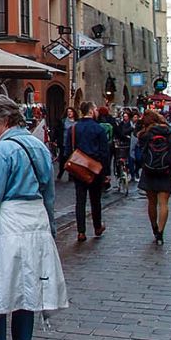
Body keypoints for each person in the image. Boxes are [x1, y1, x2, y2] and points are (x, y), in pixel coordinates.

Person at [0, 96, 68, 340]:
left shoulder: (1, 152)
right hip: (35, 220)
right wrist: (50, 228)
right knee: (27, 290)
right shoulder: (39, 146)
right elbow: (49, 193)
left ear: (1, 121)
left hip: (8, 223)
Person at [134, 109, 171, 245]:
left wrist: (144, 165)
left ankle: (154, 228)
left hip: (149, 172)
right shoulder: (169, 134)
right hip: (165, 172)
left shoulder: (145, 135)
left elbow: (139, 155)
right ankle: (160, 232)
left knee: (151, 202)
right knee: (164, 204)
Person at [70, 102, 111, 242]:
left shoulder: (74, 127)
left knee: (80, 200)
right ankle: (97, 226)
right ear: (92, 111)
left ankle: (81, 231)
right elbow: (105, 152)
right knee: (95, 199)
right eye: (96, 109)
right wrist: (106, 172)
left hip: (78, 167)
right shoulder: (98, 129)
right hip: (95, 168)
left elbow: (69, 147)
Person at [59, 107, 78, 181]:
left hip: (73, 143)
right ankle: (60, 173)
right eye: (68, 111)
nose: (69, 113)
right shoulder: (63, 121)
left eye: (71, 111)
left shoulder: (77, 122)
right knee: (63, 159)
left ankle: (71, 175)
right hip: (64, 142)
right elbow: (59, 131)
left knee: (72, 160)